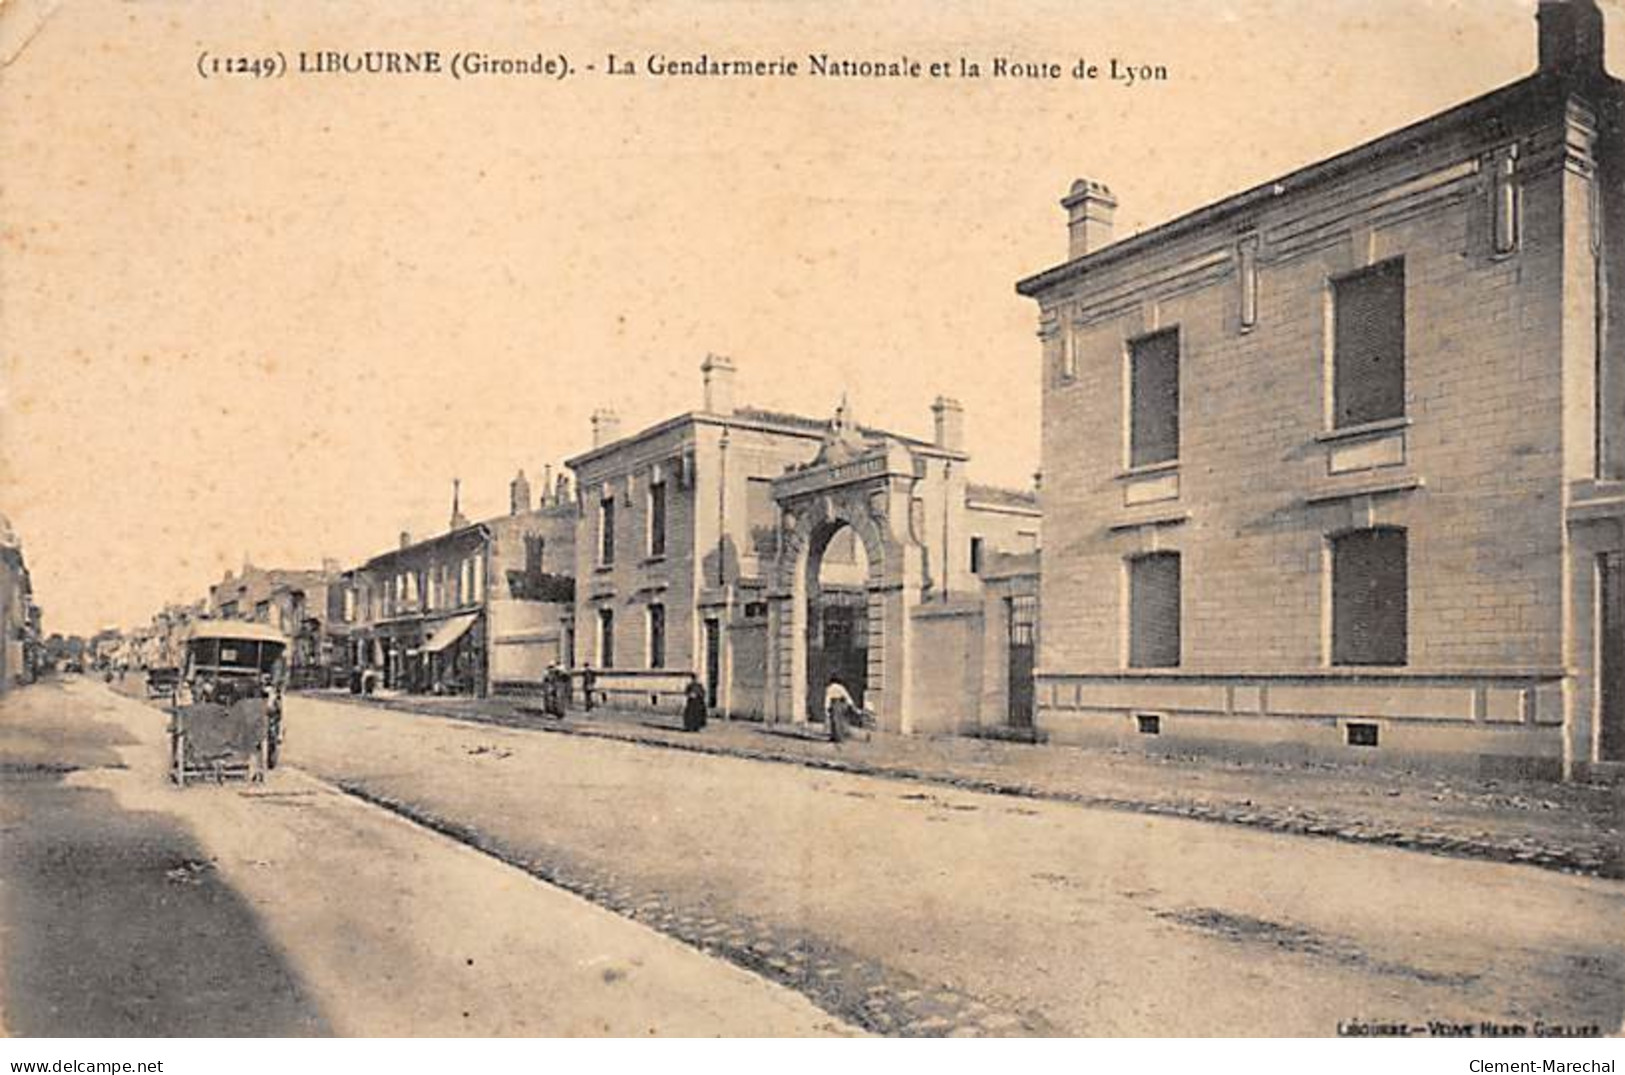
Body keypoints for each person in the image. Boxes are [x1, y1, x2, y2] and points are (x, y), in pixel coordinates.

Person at [824, 676, 855, 744]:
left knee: (834, 721)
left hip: (834, 704)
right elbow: (846, 696)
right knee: (840, 721)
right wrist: (851, 705)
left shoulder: (830, 688)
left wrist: (827, 708)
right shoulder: (841, 687)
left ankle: (835, 736)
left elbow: (828, 698)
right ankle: (840, 737)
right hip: (841, 703)